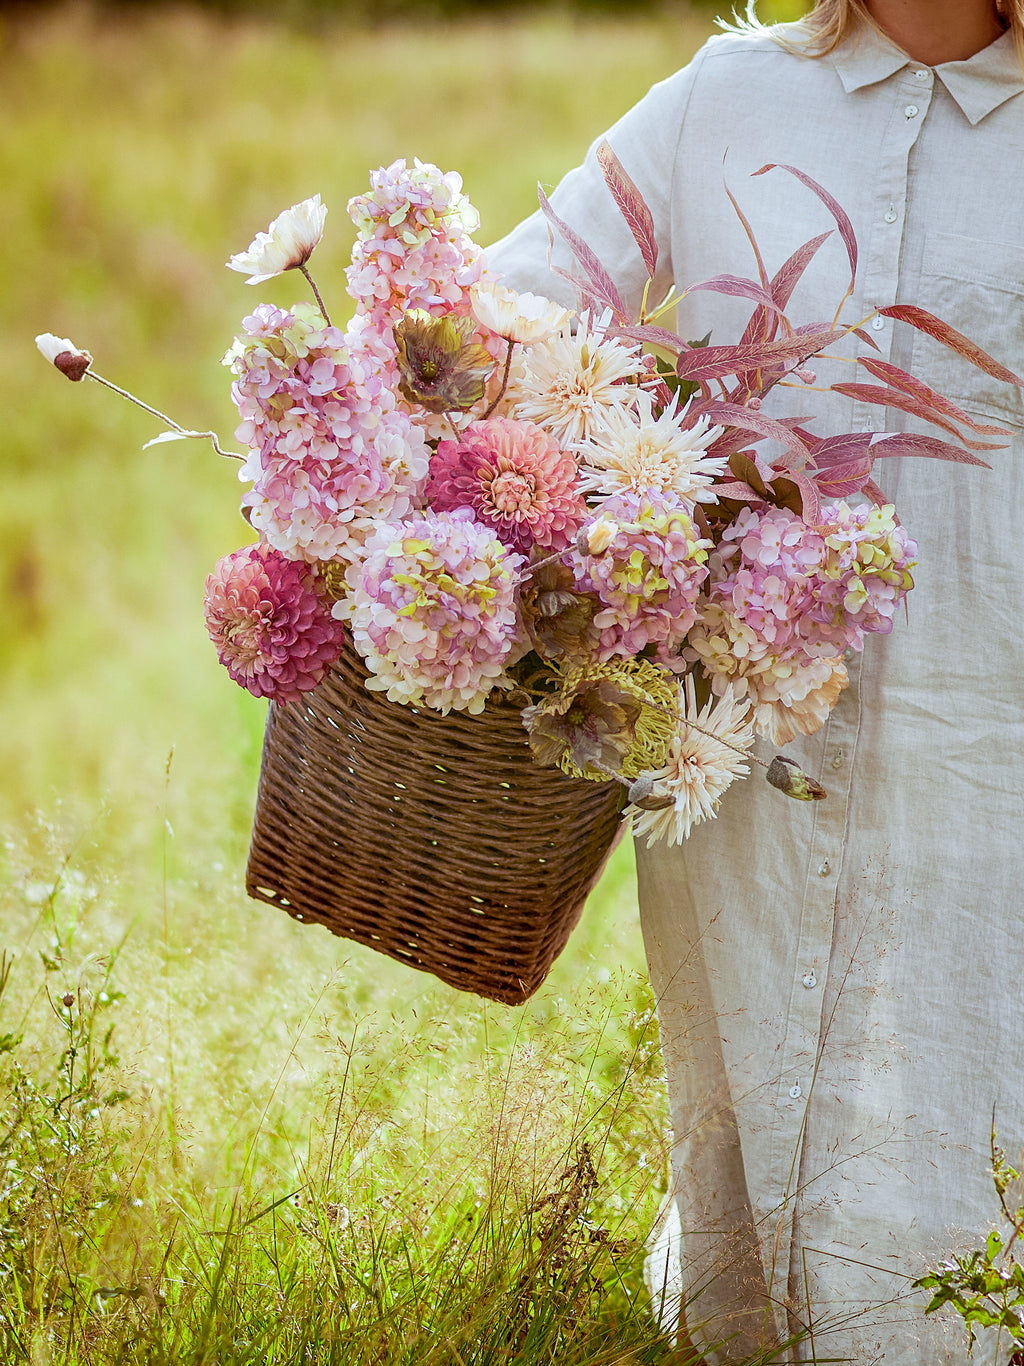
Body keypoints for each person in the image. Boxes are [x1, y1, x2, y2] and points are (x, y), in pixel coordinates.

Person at [486, 2, 1024, 1361]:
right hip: (747, 731)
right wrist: (374, 407)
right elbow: (519, 311)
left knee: (975, 1060)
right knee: (762, 1080)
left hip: (991, 713)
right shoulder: (730, 96)